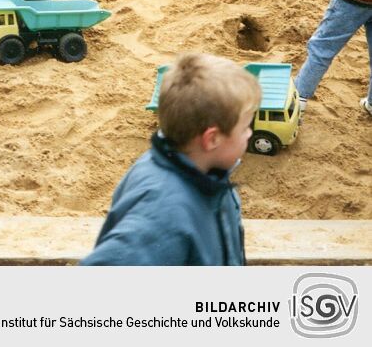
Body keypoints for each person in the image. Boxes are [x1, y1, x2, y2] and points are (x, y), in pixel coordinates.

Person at [80, 52, 261, 266]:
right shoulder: (163, 214)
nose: (250, 134)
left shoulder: (208, 176)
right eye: (245, 128)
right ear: (212, 138)